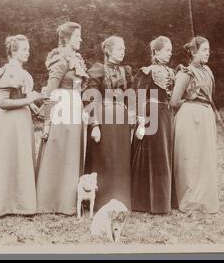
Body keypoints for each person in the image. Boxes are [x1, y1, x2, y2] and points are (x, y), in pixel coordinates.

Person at [0, 34, 44, 217]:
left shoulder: (23, 73)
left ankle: (20, 205)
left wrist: (35, 106)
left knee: (20, 161)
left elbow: (22, 98)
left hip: (22, 122)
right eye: (24, 49)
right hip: (8, 124)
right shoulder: (7, 71)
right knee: (4, 162)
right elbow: (3, 102)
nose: (29, 52)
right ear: (14, 51)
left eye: (28, 49)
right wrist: (30, 98)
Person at [35, 22, 89, 215]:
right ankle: (51, 200)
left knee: (72, 152)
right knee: (59, 152)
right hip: (62, 107)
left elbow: (80, 90)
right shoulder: (60, 59)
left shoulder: (77, 59)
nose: (81, 39)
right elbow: (50, 91)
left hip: (75, 106)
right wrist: (47, 123)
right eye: (77, 36)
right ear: (66, 38)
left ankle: (69, 200)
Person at [170, 36, 219, 213]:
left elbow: (210, 96)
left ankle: (203, 199)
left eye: (209, 50)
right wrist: (190, 106)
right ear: (193, 52)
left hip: (205, 116)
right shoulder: (185, 72)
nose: (208, 53)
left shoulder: (208, 72)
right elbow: (174, 101)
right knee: (190, 157)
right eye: (204, 50)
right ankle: (189, 199)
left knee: (204, 157)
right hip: (189, 116)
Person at [84, 36, 133, 210]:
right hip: (104, 118)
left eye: (124, 49)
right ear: (108, 51)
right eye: (119, 48)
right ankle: (102, 200)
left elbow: (130, 96)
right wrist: (94, 124)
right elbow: (90, 99)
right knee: (105, 158)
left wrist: (132, 114)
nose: (123, 51)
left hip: (122, 120)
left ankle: (121, 199)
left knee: (121, 159)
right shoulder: (98, 70)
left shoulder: (125, 71)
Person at [131, 36, 178, 214]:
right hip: (151, 114)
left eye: (171, 50)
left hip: (166, 115)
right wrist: (141, 122)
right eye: (167, 50)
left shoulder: (172, 72)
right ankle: (145, 202)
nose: (170, 53)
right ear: (156, 52)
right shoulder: (148, 71)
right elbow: (140, 96)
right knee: (153, 155)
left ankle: (163, 201)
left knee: (164, 154)